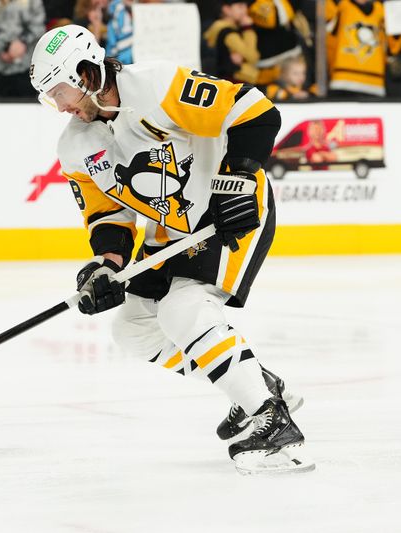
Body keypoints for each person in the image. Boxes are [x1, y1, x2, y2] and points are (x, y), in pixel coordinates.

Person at [29, 24, 313, 474]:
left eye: (60, 90)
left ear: (85, 72)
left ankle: (270, 419)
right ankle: (253, 383)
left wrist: (237, 178)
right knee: (134, 329)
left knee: (182, 309)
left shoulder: (157, 85)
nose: (60, 105)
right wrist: (107, 265)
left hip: (228, 210)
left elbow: (255, 112)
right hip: (172, 233)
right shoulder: (75, 146)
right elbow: (108, 217)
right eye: (50, 98)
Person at [203, 0, 261, 84]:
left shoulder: (216, 27)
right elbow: (253, 57)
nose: (245, 10)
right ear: (226, 9)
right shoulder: (228, 33)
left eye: (246, 6)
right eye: (240, 6)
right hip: (232, 82)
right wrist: (248, 29)